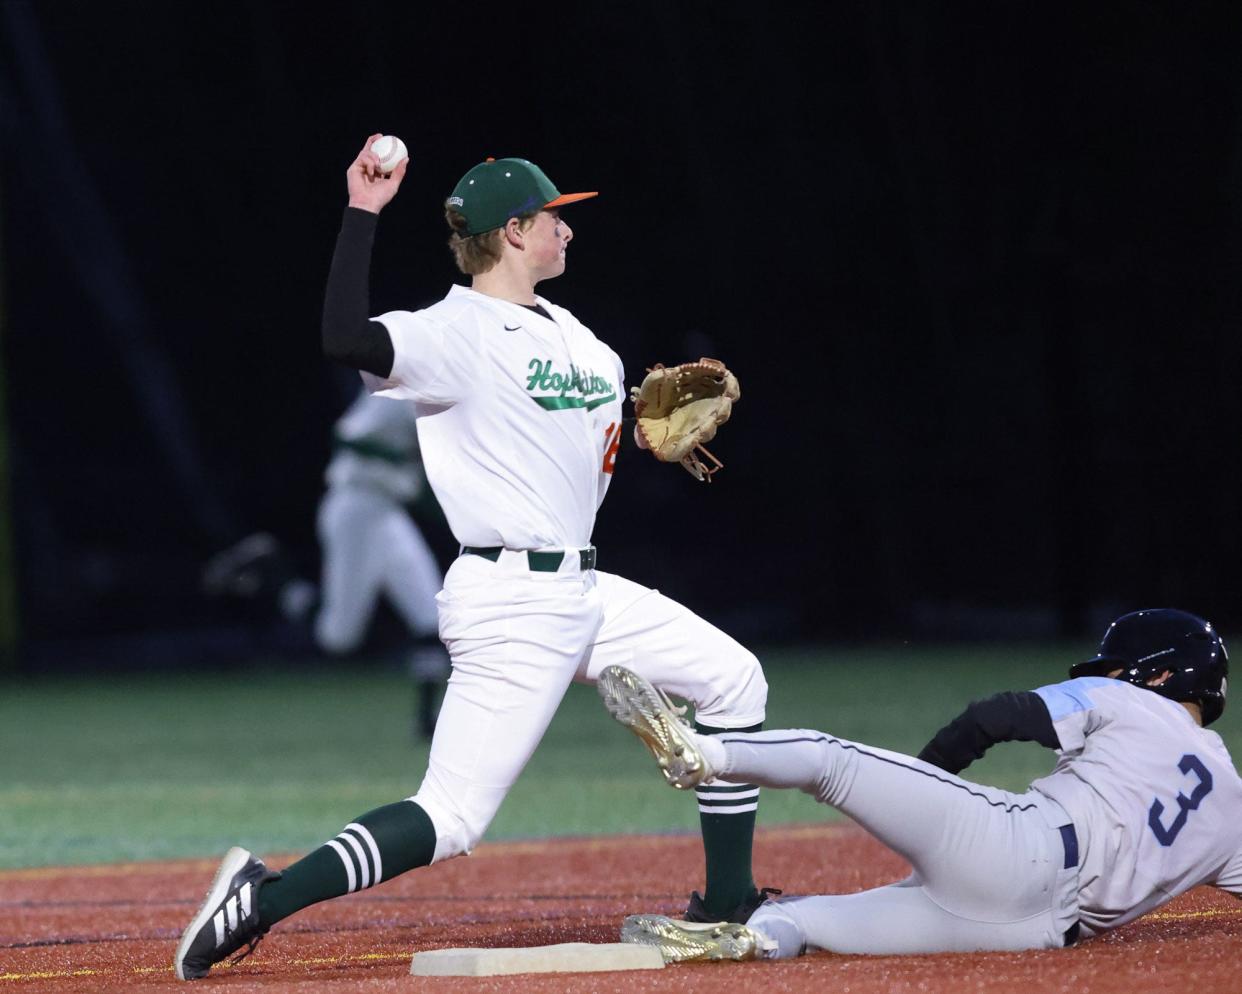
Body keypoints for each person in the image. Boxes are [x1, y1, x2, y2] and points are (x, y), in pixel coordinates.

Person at [173, 136, 770, 981]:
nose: (567, 232)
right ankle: (258, 898)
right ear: (514, 231)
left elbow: (568, 452)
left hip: (585, 587)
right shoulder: (452, 333)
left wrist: (640, 439)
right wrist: (362, 213)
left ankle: (726, 902)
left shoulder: (582, 340)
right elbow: (344, 336)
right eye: (554, 220)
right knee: (450, 818)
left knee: (736, 680)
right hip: (509, 602)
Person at [602, 608, 1242, 962]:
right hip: (1035, 933)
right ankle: (753, 938)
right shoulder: (1233, 808)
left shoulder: (1129, 700)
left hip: (1020, 847)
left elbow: (997, 716)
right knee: (803, 922)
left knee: (833, 761)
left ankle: (702, 752)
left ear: (1155, 676)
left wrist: (923, 785)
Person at [202, 386, 450, 739]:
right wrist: (402, 463)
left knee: (432, 617)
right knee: (338, 638)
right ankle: (274, 571)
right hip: (355, 507)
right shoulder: (401, 388)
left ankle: (426, 722)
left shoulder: (442, 390)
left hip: (388, 511)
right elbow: (348, 436)